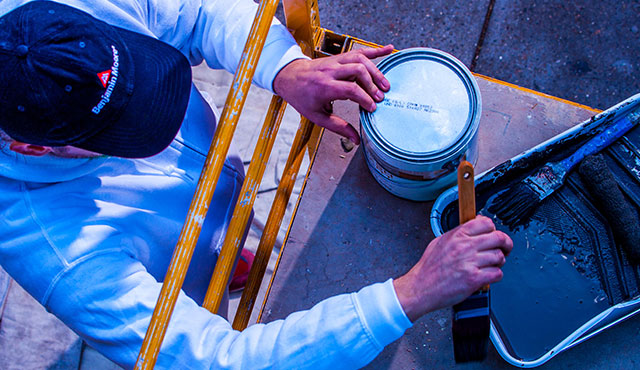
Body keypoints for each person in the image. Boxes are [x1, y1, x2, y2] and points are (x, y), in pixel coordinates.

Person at [0, 1, 513, 369]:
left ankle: (229, 252)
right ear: (32, 148)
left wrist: (286, 68)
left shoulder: (45, 26)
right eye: (123, 131)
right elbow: (224, 359)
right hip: (169, 265)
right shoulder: (59, 252)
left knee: (225, 245)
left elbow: (198, 12)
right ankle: (212, 269)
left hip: (213, 195)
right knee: (201, 282)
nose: (160, 116)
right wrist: (411, 293)